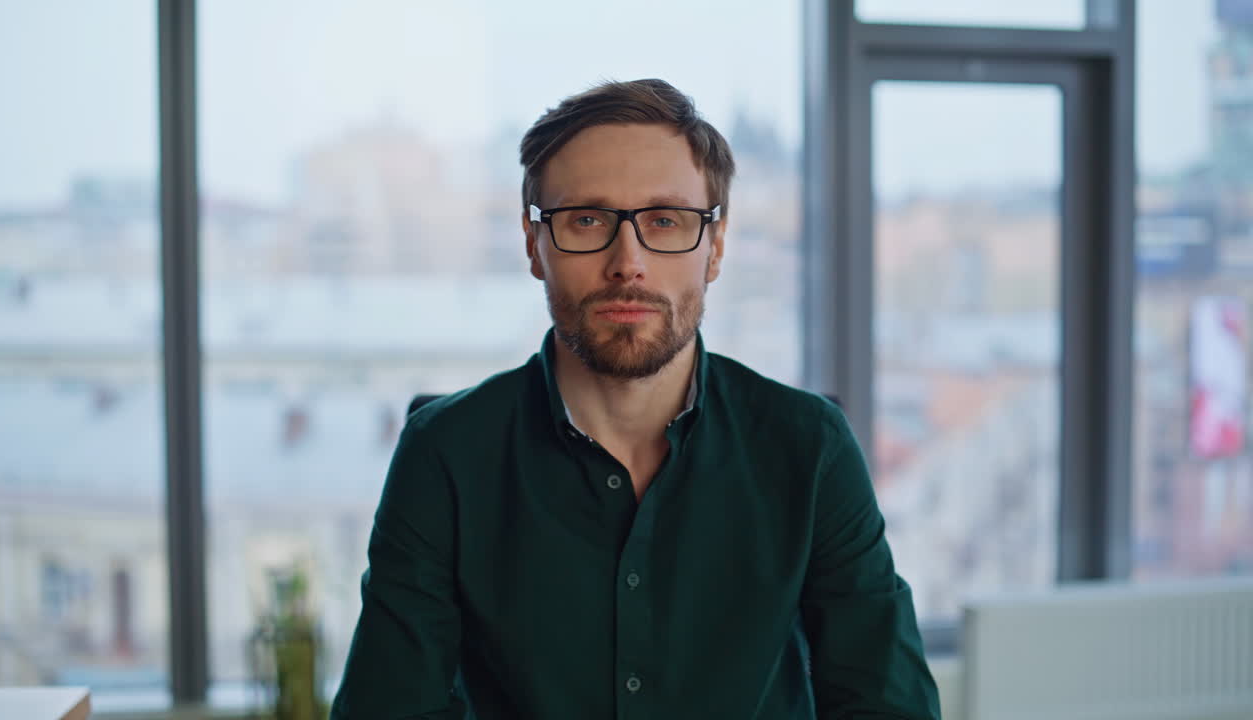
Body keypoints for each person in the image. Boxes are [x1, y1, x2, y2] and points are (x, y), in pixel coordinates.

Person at [330, 78, 940, 719]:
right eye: (587, 219)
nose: (629, 262)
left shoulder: (809, 448)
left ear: (717, 247)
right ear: (534, 244)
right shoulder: (445, 454)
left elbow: (887, 706)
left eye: (665, 220)